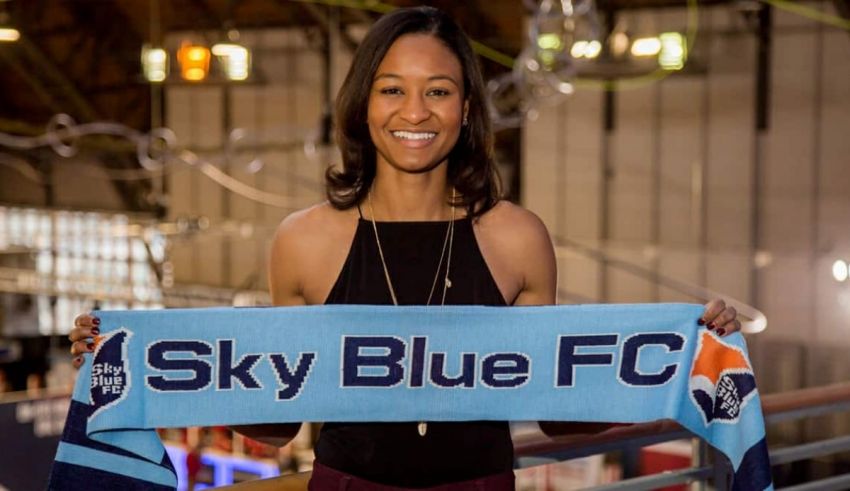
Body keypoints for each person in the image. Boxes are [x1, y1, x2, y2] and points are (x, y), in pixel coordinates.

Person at [69, 6, 742, 489]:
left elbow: (558, 407)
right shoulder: (304, 241)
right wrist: (124, 362)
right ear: (365, 104)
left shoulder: (516, 238)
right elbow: (276, 424)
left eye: (438, 92)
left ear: (467, 108)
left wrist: (680, 354)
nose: (414, 112)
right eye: (392, 89)